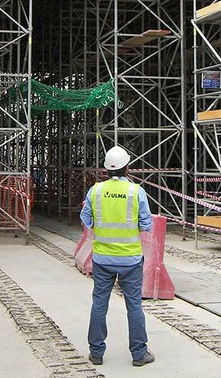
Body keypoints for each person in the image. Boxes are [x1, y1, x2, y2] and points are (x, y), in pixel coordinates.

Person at [80, 146, 155, 367]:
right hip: (130, 259)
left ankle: (96, 353)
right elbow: (146, 224)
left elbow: (86, 219)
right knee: (134, 306)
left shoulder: (95, 191)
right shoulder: (136, 191)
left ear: (106, 169)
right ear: (127, 168)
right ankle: (139, 354)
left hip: (102, 258)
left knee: (99, 304)